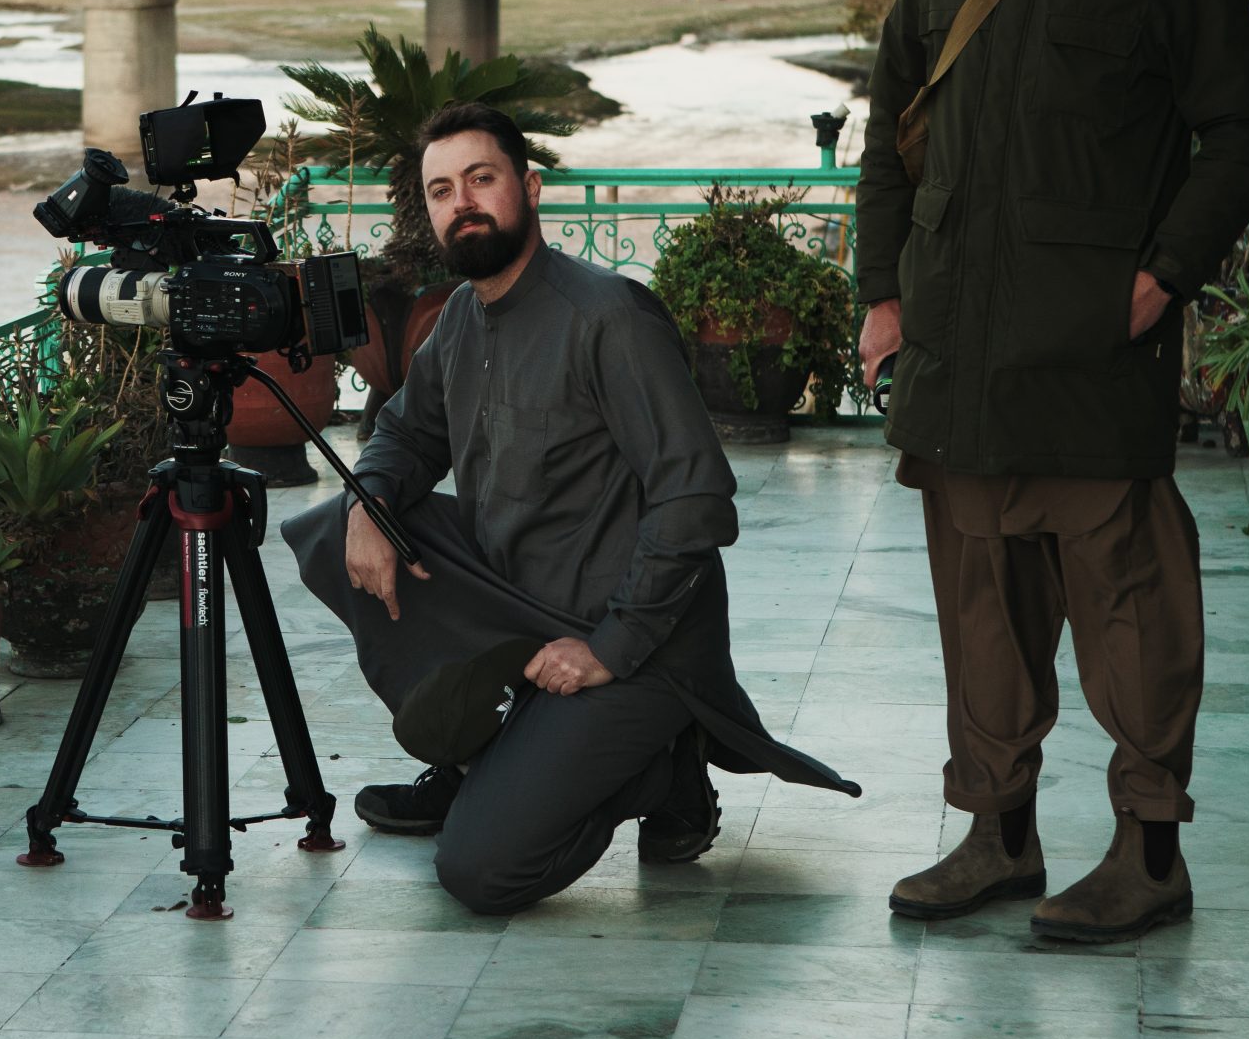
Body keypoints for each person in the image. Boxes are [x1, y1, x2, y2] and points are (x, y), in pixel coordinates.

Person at [854, 0, 1249, 944]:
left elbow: (1247, 130)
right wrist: (881, 294)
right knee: (981, 611)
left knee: (1131, 611)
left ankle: (1149, 856)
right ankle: (996, 839)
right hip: (959, 358)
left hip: (1092, 351)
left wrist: (1161, 274)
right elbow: (890, 145)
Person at [285, 102, 857, 915]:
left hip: (628, 632)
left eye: (482, 179)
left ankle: (668, 766)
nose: (463, 202)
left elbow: (697, 499)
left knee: (479, 870)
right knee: (331, 526)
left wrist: (610, 647)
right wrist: (370, 502)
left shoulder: (608, 317)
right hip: (516, 603)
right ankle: (481, 753)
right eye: (442, 190)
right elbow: (404, 434)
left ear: (531, 185)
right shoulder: (459, 320)